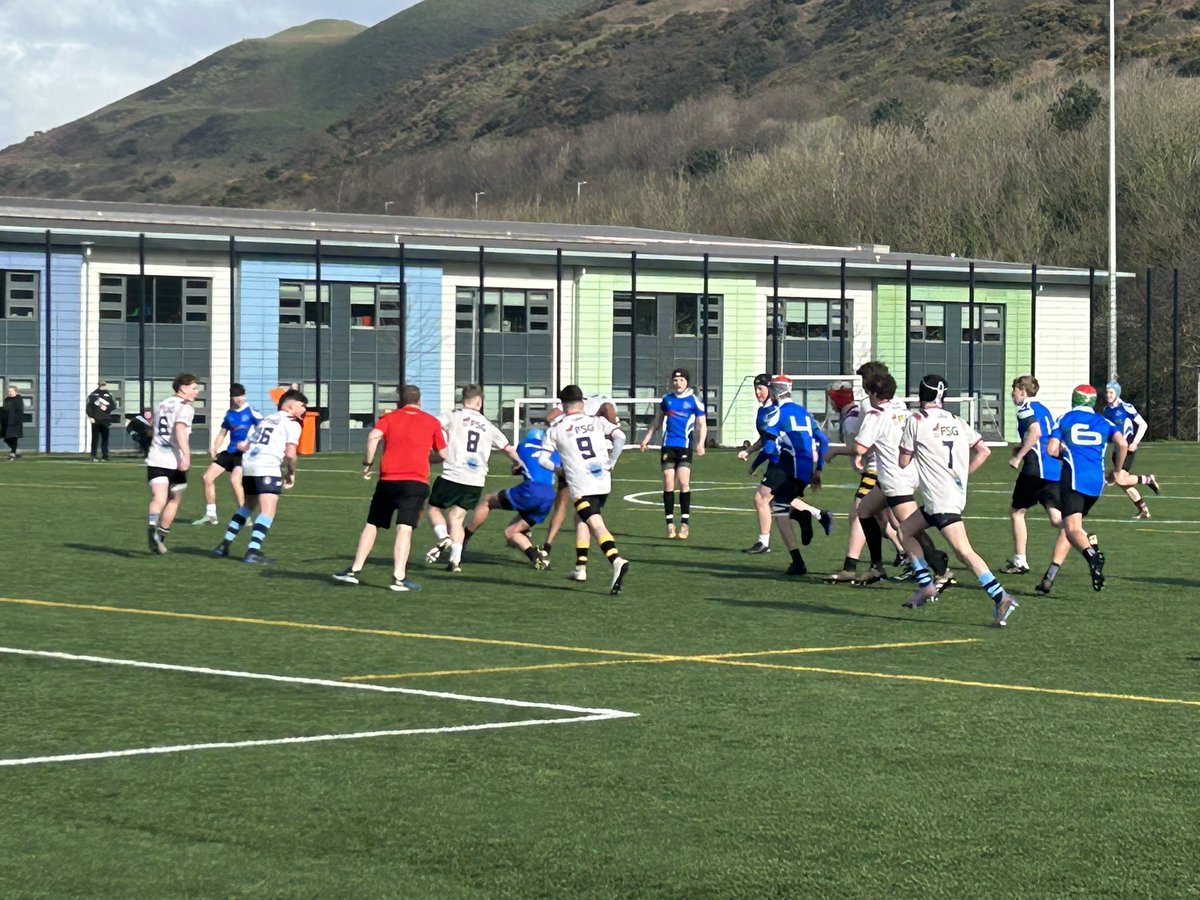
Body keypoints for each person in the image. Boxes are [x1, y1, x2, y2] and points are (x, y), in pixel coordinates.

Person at [897, 374, 1017, 627]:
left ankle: (1000, 596)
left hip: (940, 499)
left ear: (921, 394)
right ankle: (925, 584)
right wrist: (962, 475)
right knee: (905, 530)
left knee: (964, 551)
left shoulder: (916, 420)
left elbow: (903, 461)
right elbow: (984, 450)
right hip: (944, 495)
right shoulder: (957, 421)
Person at [333, 385, 447, 591]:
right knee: (404, 528)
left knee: (372, 524)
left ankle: (354, 570)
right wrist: (427, 457)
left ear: (399, 402)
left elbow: (373, 437)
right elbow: (443, 454)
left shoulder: (390, 418)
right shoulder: (431, 421)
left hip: (388, 480)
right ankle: (399, 578)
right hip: (415, 482)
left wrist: (367, 463)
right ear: (419, 401)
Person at [1035, 384, 1128, 595]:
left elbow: (1050, 449)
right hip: (1096, 482)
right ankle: (1049, 577)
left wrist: (1064, 454)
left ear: (1074, 400)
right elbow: (1122, 444)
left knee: (1072, 528)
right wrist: (1118, 470)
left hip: (1074, 478)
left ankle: (1092, 556)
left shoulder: (1065, 419)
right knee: (1070, 527)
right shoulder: (1104, 421)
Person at [422, 384, 524, 573]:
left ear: (463, 400)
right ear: (479, 402)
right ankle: (455, 561)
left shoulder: (454, 415)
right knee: (457, 517)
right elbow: (508, 448)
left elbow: (432, 425)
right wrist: (519, 464)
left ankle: (443, 537)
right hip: (476, 480)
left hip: (453, 474)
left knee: (434, 508)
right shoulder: (488, 425)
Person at [539, 384, 630, 594]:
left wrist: (559, 470)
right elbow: (621, 437)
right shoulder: (596, 421)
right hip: (603, 480)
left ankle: (616, 560)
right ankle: (581, 568)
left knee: (596, 523)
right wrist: (612, 461)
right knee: (582, 520)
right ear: (582, 403)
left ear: (563, 406)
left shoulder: (556, 429)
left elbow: (543, 460)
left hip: (581, 484)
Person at [213, 390, 307, 564]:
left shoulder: (266, 420)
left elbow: (246, 445)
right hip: (267, 465)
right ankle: (253, 551)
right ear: (291, 405)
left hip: (249, 464)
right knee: (268, 510)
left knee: (248, 505)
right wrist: (291, 473)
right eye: (302, 406)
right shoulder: (292, 424)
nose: (304, 410)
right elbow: (291, 453)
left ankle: (224, 544)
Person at [759, 377, 832, 576]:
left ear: (773, 394)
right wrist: (818, 470)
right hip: (807, 469)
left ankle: (797, 561)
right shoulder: (805, 413)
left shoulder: (776, 413)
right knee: (779, 503)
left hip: (788, 466)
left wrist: (770, 456)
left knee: (778, 508)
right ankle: (803, 515)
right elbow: (823, 441)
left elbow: (768, 444)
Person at [461, 427, 560, 569]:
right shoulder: (554, 452)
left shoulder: (524, 445)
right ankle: (537, 559)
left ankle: (465, 537)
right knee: (511, 532)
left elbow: (516, 468)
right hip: (549, 495)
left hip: (530, 490)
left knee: (487, 501)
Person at [1001, 375, 1064, 574]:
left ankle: (1020, 561)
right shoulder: (1044, 409)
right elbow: (1046, 436)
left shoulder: (1025, 408)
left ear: (1023, 391)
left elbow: (1036, 433)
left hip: (1035, 469)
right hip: (1052, 468)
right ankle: (1083, 538)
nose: (1012, 394)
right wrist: (1022, 446)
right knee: (1056, 519)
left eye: (1014, 390)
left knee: (1017, 512)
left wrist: (1019, 456)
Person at [543, 392, 618, 560]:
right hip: (593, 468)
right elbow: (609, 410)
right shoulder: (598, 402)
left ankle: (549, 546)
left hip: (570, 464)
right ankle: (583, 564)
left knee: (564, 506)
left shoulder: (567, 407)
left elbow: (549, 417)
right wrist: (610, 422)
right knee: (585, 516)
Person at [638, 367, 707, 539]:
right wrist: (646, 438)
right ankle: (670, 524)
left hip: (684, 446)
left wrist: (700, 444)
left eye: (681, 380)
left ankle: (685, 524)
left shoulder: (694, 401)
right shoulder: (667, 400)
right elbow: (657, 421)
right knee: (669, 482)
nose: (678, 383)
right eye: (675, 380)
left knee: (684, 482)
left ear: (687, 382)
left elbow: (702, 424)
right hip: (668, 446)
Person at [145, 373, 201, 554]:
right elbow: (179, 429)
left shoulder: (161, 404)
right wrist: (186, 455)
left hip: (155, 458)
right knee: (174, 499)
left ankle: (152, 523)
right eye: (194, 388)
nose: (197, 392)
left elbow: (152, 428)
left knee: (158, 498)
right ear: (183, 388)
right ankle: (160, 537)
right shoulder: (186, 408)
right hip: (174, 461)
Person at [192, 383, 263, 526]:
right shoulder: (230, 414)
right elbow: (222, 433)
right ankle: (211, 515)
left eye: (241, 396)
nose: (239, 399)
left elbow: (263, 431)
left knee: (235, 480)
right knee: (207, 477)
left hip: (244, 454)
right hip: (230, 452)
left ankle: (245, 515)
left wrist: (254, 447)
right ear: (231, 397)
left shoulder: (252, 412)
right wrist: (214, 448)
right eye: (236, 396)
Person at [1101, 381, 1160, 519]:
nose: (1108, 395)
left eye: (1111, 392)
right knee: (1123, 482)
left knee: (1119, 479)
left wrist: (1135, 442)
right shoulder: (1106, 410)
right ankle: (1143, 509)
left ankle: (1148, 479)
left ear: (1117, 393)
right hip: (1117, 450)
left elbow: (1143, 425)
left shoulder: (1126, 408)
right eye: (1107, 392)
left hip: (1127, 449)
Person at [737, 373, 777, 554]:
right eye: (755, 389)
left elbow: (769, 448)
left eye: (760, 388)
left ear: (770, 389)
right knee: (782, 501)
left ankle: (763, 543)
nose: (757, 392)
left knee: (761, 498)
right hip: (780, 460)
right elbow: (764, 439)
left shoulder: (775, 411)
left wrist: (754, 465)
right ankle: (820, 515)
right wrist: (749, 450)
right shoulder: (763, 411)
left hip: (781, 459)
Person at [86, 380, 117, 462]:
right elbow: (89, 407)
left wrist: (107, 408)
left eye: (104, 385)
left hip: (106, 420)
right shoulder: (93, 395)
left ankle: (105, 456)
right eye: (101, 385)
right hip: (96, 420)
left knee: (105, 439)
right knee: (95, 439)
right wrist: (91, 416)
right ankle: (93, 456)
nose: (103, 386)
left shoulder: (109, 395)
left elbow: (114, 406)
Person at [3, 386, 24, 461]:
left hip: (15, 423)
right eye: (8, 391)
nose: (9, 393)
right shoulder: (6, 400)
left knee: (13, 438)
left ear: (15, 391)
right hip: (6, 423)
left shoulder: (18, 400)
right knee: (6, 439)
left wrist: (16, 420)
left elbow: (20, 411)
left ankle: (12, 454)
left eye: (11, 391)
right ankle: (16, 451)